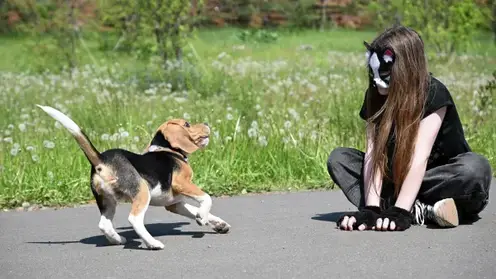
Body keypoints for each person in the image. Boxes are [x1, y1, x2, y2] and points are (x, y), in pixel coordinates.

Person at [326, 25, 493, 231]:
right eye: (373, 72)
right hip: (396, 179)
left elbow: (419, 156)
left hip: (439, 181)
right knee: (340, 159)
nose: (377, 81)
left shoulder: (432, 93)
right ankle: (422, 210)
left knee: (475, 167)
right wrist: (371, 209)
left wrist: (400, 212)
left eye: (385, 74)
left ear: (405, 70)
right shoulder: (375, 95)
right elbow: (373, 155)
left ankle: (407, 208)